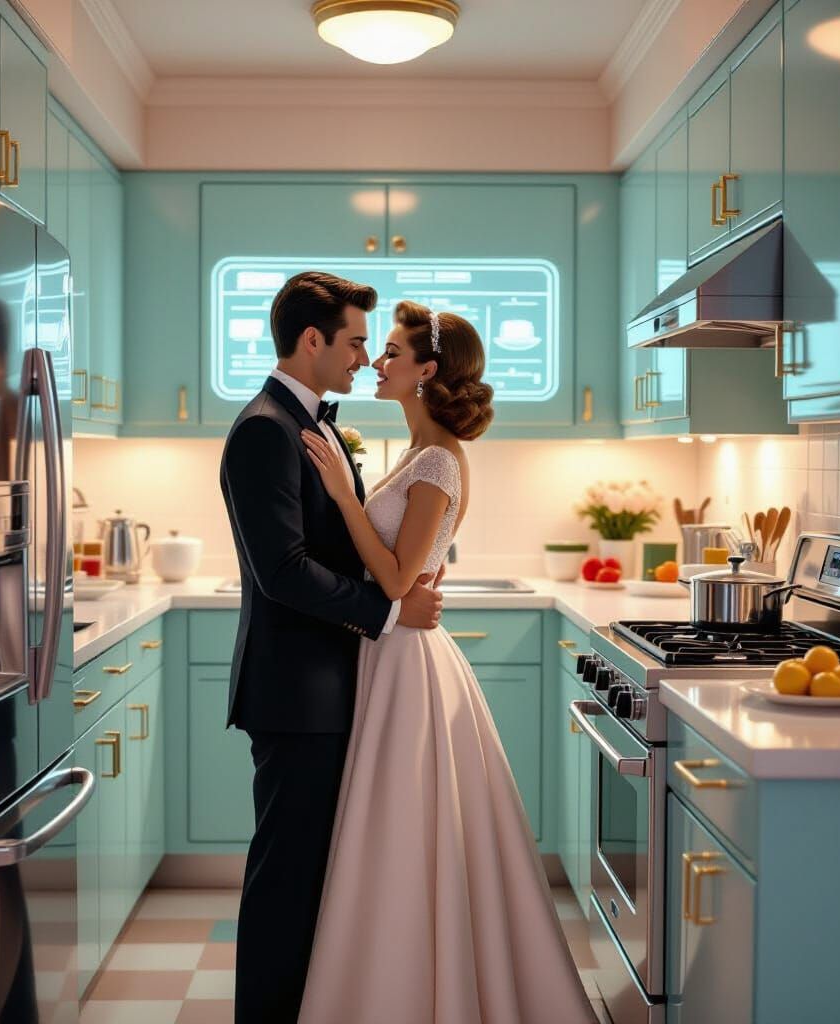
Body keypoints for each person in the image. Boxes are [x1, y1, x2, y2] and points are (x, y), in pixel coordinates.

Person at [297, 300, 596, 1024]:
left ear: (427, 372)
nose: (377, 361)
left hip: (408, 660)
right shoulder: (415, 453)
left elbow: (399, 582)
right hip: (391, 653)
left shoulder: (435, 461)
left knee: (402, 831)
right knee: (397, 832)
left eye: (393, 352)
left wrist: (341, 496)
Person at [219, 272, 444, 1024]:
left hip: (328, 688)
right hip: (295, 695)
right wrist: (389, 609)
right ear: (310, 340)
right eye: (353, 343)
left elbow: (341, 543)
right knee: (286, 882)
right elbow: (282, 572)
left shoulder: (307, 422)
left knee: (316, 881)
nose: (362, 359)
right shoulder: (264, 429)